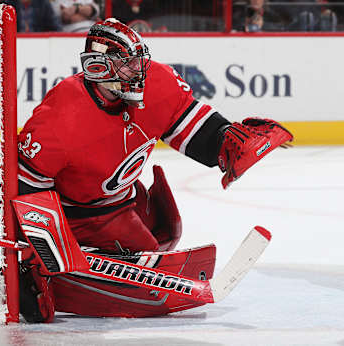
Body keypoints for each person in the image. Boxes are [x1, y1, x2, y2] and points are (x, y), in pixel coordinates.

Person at [16, 18, 293, 323]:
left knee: (159, 243)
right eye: (128, 65)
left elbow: (194, 131)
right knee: (143, 268)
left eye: (139, 62)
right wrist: (38, 252)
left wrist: (227, 143)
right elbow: (27, 191)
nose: (139, 72)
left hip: (122, 202)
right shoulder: (60, 119)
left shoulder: (157, 82)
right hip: (76, 213)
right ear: (98, 67)